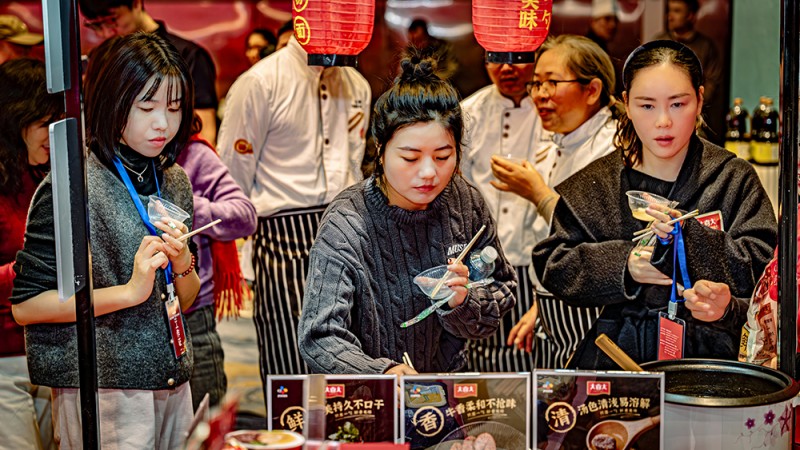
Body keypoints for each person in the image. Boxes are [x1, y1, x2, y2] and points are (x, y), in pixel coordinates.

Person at [532, 40, 776, 370]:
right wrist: (625, 265)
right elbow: (554, 262)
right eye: (647, 106)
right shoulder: (598, 183)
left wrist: (691, 240)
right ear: (626, 104)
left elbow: (764, 267)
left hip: (709, 363)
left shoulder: (731, 178)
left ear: (700, 100)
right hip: (616, 361)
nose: (663, 121)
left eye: (678, 104)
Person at [11, 32, 200, 447]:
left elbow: (184, 298)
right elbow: (26, 306)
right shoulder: (70, 186)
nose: (163, 124)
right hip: (104, 386)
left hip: (172, 377)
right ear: (113, 104)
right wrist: (129, 291)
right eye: (146, 107)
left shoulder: (172, 180)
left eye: (173, 107)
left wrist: (182, 258)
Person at [297, 52, 517, 374]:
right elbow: (320, 337)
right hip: (372, 397)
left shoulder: (464, 202)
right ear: (381, 152)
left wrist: (462, 304)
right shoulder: (347, 223)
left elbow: (499, 292)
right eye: (411, 158)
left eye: (443, 156)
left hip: (446, 390)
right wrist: (381, 374)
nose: (429, 173)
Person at [218, 33, 370, 382]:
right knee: (289, 360)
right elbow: (232, 176)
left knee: (349, 355)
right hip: (282, 235)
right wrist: (231, 238)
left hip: (349, 231)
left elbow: (353, 163)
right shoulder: (260, 81)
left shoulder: (357, 83)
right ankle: (289, 437)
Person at [496, 35, 619, 369]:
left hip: (600, 312)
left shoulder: (614, 147)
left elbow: (598, 239)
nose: (540, 94)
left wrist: (537, 193)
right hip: (557, 301)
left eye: (552, 82)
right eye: (536, 83)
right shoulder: (561, 141)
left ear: (592, 90)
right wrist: (540, 306)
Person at [460, 59, 541, 372]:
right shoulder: (469, 112)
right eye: (496, 57)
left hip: (537, 259)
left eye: (518, 59)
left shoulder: (553, 112)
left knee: (537, 359)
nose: (507, 67)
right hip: (483, 262)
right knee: (486, 357)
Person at [0, 58, 61, 450]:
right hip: (3, 359)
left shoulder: (46, 173)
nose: (53, 135)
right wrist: (39, 269)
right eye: (45, 123)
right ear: (16, 119)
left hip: (53, 350)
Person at [176, 115, 257, 410]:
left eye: (174, 108)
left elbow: (244, 215)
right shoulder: (102, 163)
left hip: (194, 313)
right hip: (125, 318)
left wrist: (180, 203)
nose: (160, 123)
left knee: (205, 420)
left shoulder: (193, 153)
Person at [79, 0, 219, 146]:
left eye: (113, 20)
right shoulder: (99, 59)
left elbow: (205, 134)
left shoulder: (187, 56)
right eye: (96, 25)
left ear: (136, 4)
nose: (107, 32)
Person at [652, 0, 723, 142]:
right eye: (669, 11)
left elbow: (712, 83)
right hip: (659, 114)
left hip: (695, 117)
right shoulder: (658, 42)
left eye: (677, 11)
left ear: (690, 16)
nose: (670, 16)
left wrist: (688, 105)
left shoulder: (705, 46)